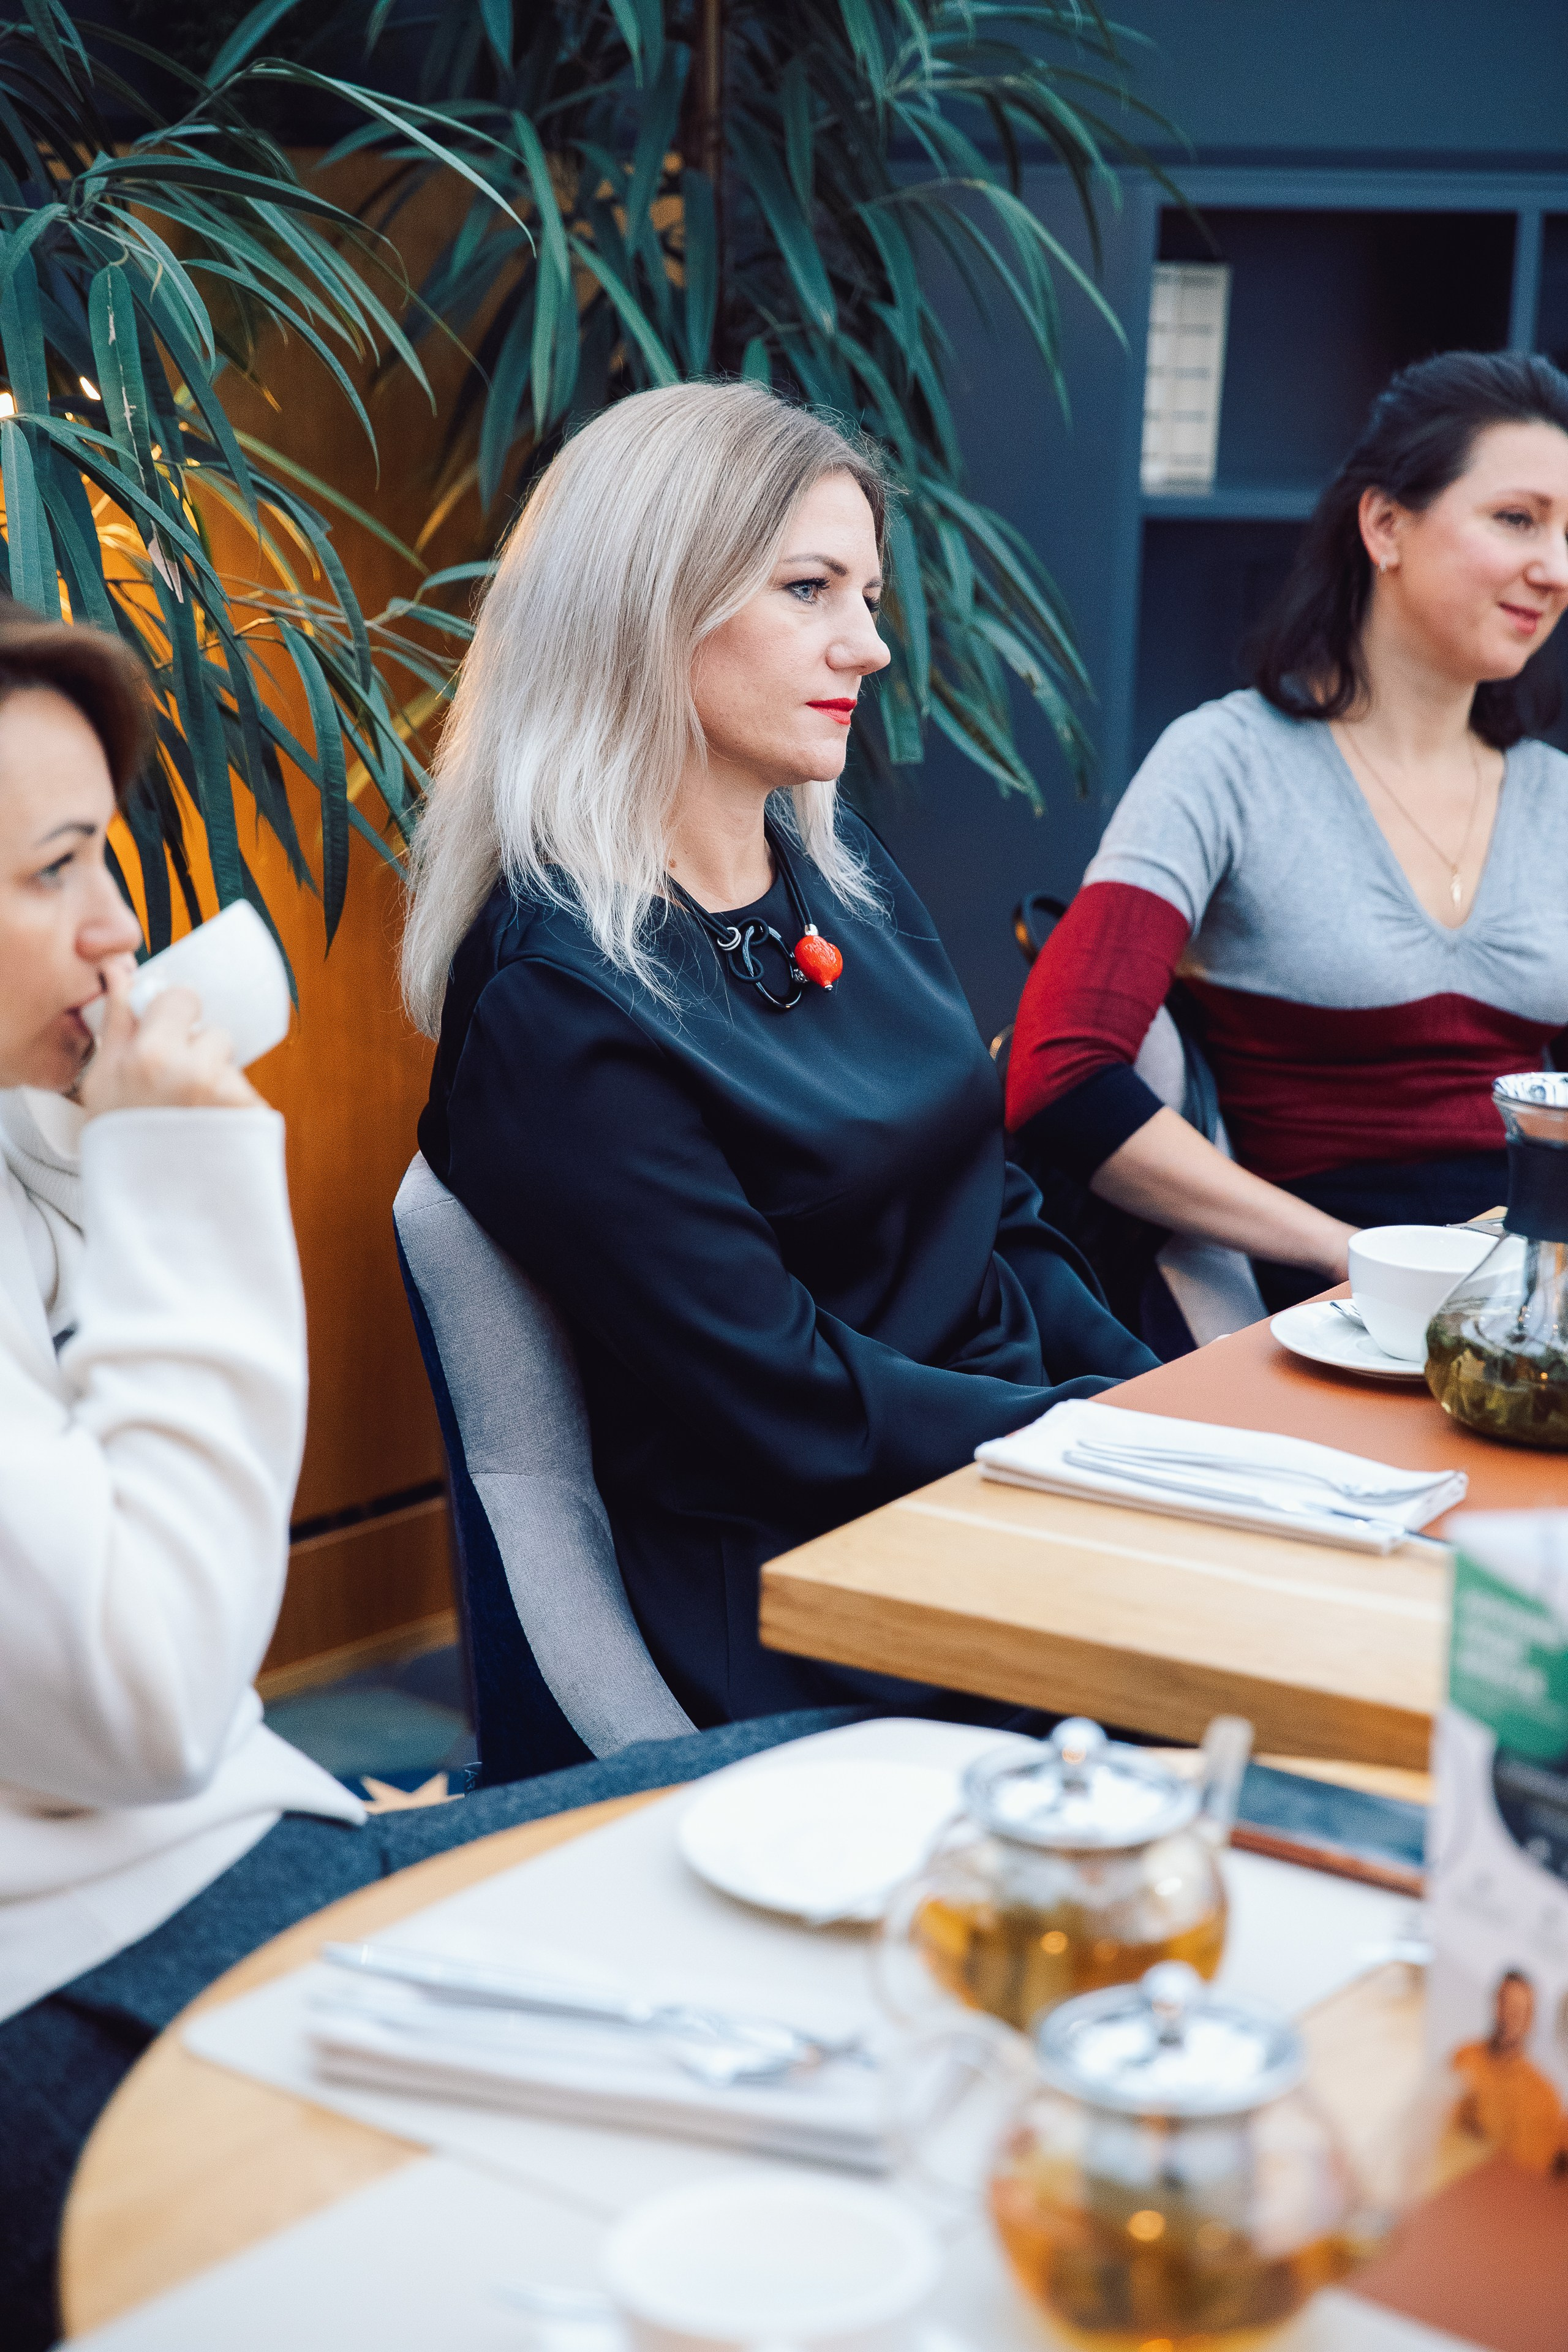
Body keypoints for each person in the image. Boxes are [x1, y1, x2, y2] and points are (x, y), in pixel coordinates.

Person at [0, 596, 894, 2347]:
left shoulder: (844, 894)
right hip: (83, 1977)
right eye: (52, 873)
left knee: (863, 1784)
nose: (120, 934)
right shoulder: (564, 991)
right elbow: (147, 1702)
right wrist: (182, 1185)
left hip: (220, 1853)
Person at [402, 381, 1155, 1730]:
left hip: (1002, 1481)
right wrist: (1083, 1445)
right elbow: (786, 1402)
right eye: (808, 589)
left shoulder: (830, 865)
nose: (867, 647)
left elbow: (1002, 1213)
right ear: (642, 605)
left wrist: (1158, 1406)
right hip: (809, 1585)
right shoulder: (555, 999)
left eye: (865, 596)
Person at [1006, 351, 1568, 1313]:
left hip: (1529, 1301)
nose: (1554, 570)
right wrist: (1346, 1253)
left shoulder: (1556, 796)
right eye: (1516, 519)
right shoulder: (1224, 762)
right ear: (1385, 525)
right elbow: (1060, 1077)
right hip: (1308, 1299)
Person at [1450, 1969, 1567, 2176]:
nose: (1509, 2018)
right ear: (1494, 2004)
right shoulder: (1465, 2059)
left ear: (1531, 2019)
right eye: (1505, 2004)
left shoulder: (1544, 2094)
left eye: (1519, 2011)